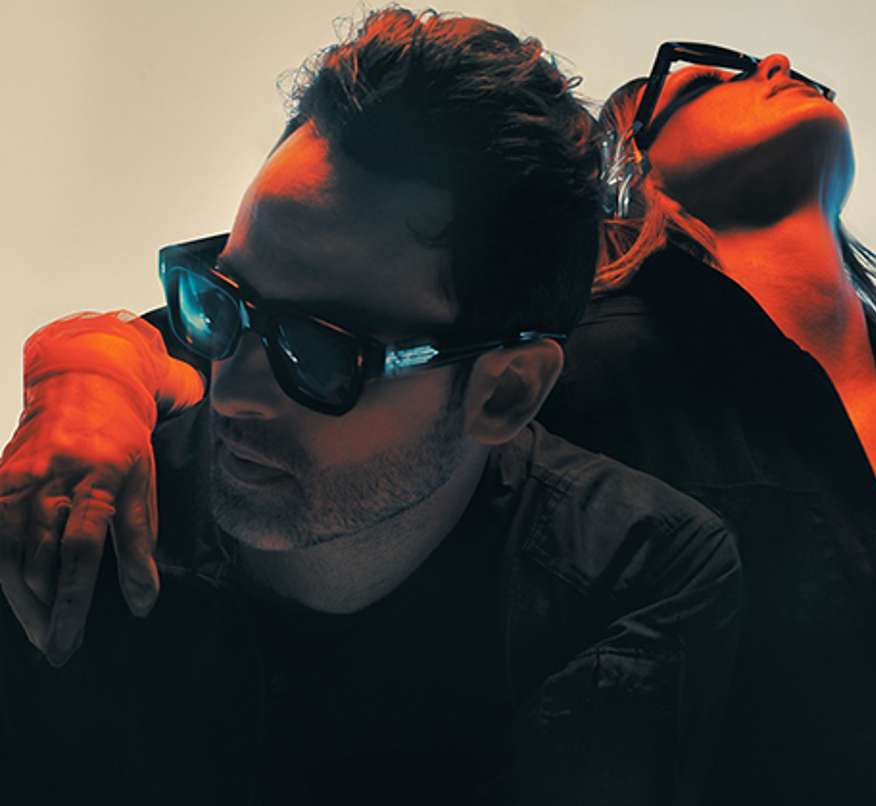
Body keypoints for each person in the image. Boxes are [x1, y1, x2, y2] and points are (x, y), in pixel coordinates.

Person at [0, 37, 876, 806]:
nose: (768, 61)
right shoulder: (570, 363)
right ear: (633, 165)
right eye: (696, 76)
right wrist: (82, 381)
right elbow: (207, 338)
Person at [0, 16, 742, 805]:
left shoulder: (631, 574)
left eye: (321, 353)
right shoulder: (83, 528)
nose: (235, 391)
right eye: (223, 302)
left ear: (506, 392)